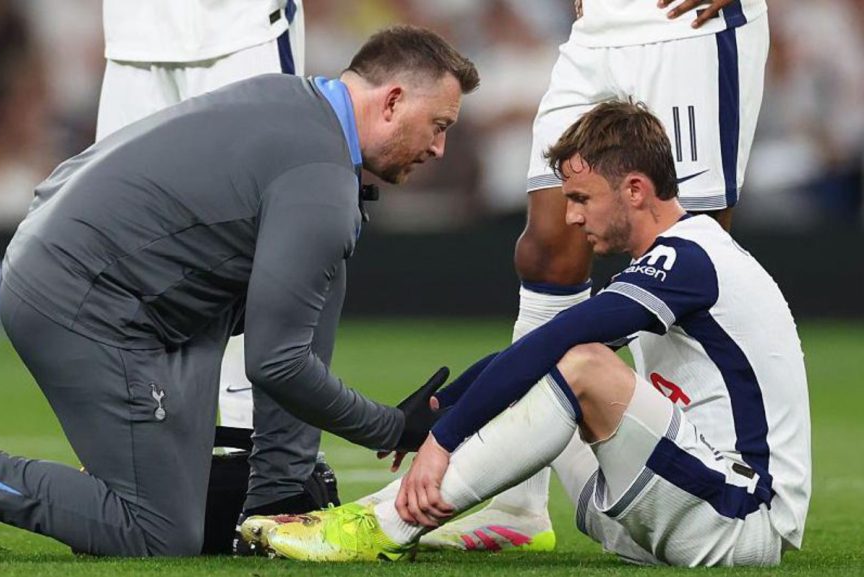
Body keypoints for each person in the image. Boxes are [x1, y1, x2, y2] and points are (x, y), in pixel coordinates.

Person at [0, 26, 480, 559]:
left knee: (323, 265)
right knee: (160, 533)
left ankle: (278, 501)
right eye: (439, 125)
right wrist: (390, 427)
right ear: (393, 101)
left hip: (124, 285)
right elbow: (276, 361)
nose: (439, 147)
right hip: (85, 303)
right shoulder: (321, 179)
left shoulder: (296, 103)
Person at [248, 100, 810, 567]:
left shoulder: (688, 260)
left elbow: (558, 342)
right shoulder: (680, 258)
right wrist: (441, 410)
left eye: (581, 198)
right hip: (695, 496)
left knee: (582, 363)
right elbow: (532, 354)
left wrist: (444, 442)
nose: (570, 218)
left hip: (743, 516)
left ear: (635, 190)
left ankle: (385, 523)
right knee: (564, 362)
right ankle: (515, 517)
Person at [413, 0, 772, 551]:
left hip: (685, 28)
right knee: (547, 250)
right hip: (593, 31)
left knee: (680, 249)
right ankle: (520, 508)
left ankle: (711, 460)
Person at [97, 0, 317, 526]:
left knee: (257, 231)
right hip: (132, 34)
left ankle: (262, 463)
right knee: (121, 236)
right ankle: (125, 448)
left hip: (239, 28)